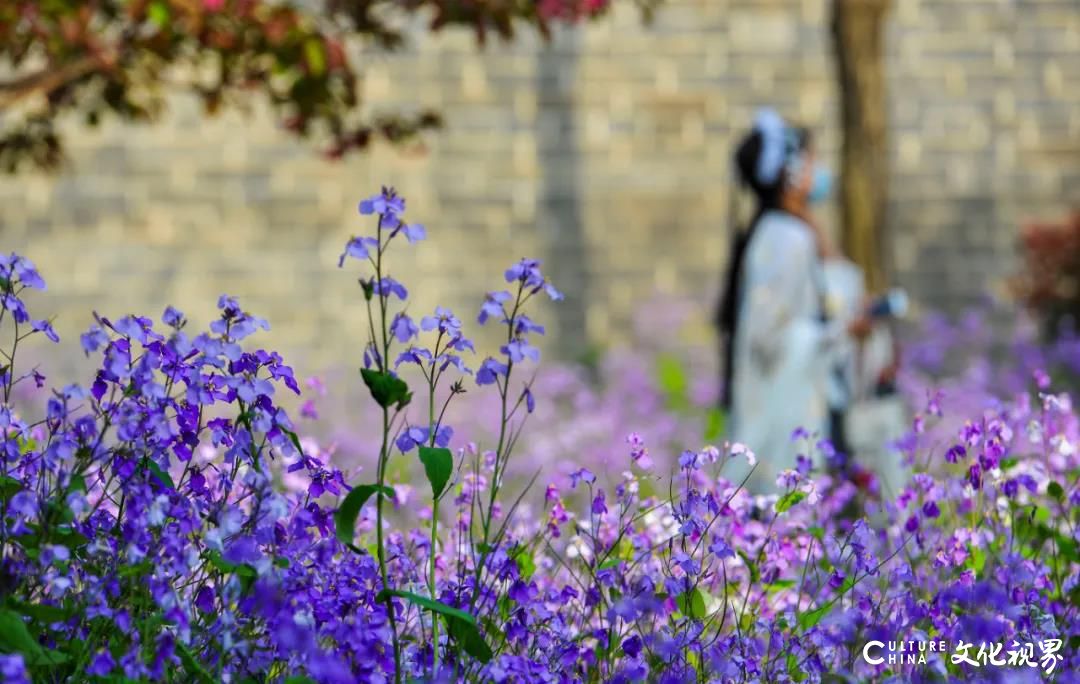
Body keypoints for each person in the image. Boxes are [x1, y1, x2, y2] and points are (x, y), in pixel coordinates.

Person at [716, 109, 871, 494]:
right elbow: (771, 338)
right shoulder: (787, 239)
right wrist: (838, 332)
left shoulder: (780, 232)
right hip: (788, 420)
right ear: (792, 171)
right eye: (811, 160)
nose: (817, 170)